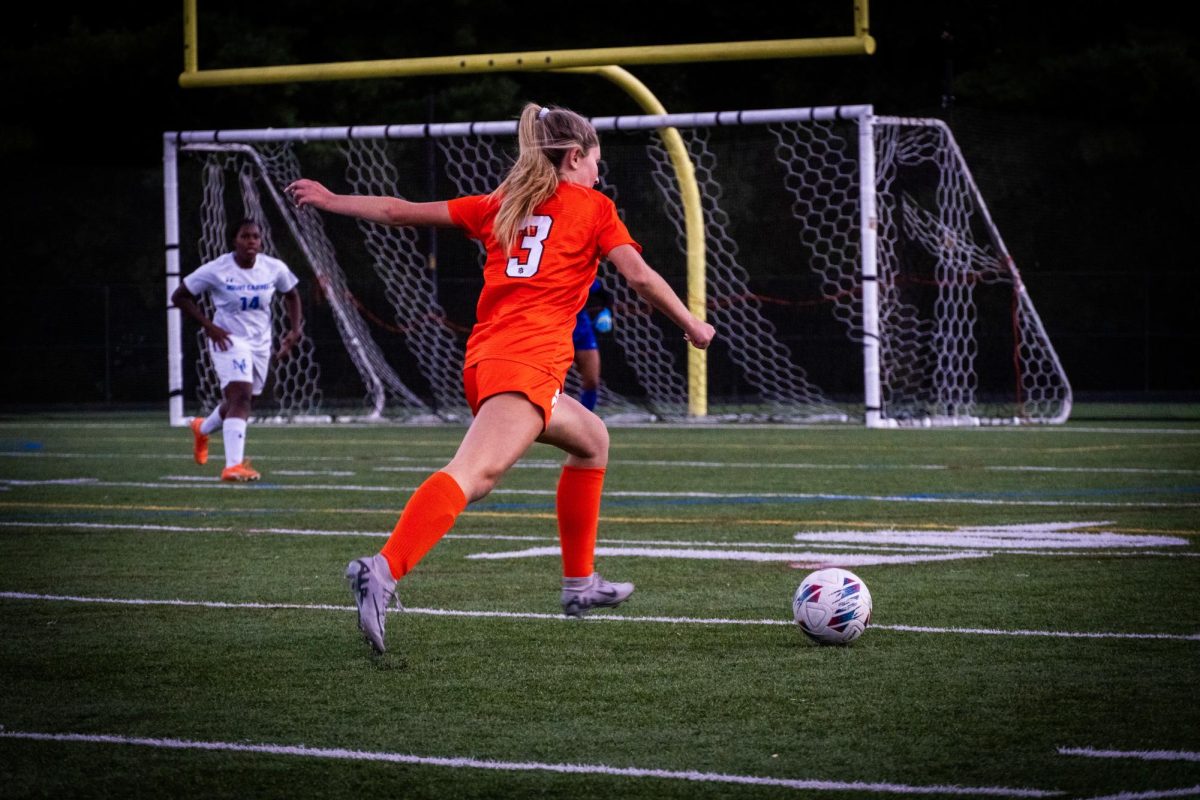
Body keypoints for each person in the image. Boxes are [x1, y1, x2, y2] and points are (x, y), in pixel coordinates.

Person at [287, 103, 715, 654]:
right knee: (471, 475)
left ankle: (580, 584)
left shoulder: (501, 204)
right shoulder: (593, 207)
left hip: (489, 360)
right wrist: (691, 324)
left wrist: (330, 200)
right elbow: (638, 276)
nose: (599, 174)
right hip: (526, 363)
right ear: (576, 157)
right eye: (595, 163)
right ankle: (382, 569)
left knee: (591, 441)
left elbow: (397, 212)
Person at [171, 219, 303, 482]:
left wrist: (294, 330)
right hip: (228, 340)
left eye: (256, 236)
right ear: (235, 241)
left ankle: (202, 428)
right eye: (245, 236)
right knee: (240, 398)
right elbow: (180, 296)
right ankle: (233, 466)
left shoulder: (273, 268)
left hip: (260, 342)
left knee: (243, 401)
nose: (252, 241)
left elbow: (292, 294)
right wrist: (209, 326)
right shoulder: (217, 269)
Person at [572, 278, 609, 411]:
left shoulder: (582, 271)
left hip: (582, 331)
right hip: (555, 331)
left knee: (592, 381)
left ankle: (585, 419)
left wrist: (605, 312)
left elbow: (604, 296)